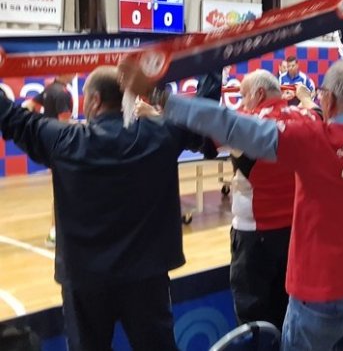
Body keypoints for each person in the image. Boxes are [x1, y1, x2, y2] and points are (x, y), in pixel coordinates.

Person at [123, 0, 343, 351]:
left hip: (320, 297)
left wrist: (159, 97)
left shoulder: (315, 141)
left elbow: (228, 124)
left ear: (330, 100)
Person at [0, 66, 202, 350]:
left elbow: (11, 118)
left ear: (94, 100)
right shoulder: (160, 134)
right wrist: (213, 60)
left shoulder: (64, 141)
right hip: (147, 279)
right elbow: (205, 110)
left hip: (85, 282)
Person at [218, 70, 320, 330]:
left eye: (244, 96)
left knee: (254, 319)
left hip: (254, 237)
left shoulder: (245, 125)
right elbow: (317, 114)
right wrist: (305, 98)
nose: (242, 103)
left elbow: (201, 135)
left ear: (259, 93)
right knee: (288, 312)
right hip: (295, 233)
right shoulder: (305, 117)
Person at [22, 73, 75, 248]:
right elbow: (64, 123)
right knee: (64, 190)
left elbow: (28, 106)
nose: (76, 73)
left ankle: (57, 231)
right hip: (63, 148)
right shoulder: (62, 93)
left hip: (50, 145)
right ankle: (55, 233)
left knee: (61, 189)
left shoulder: (49, 89)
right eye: (73, 71)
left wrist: (38, 126)